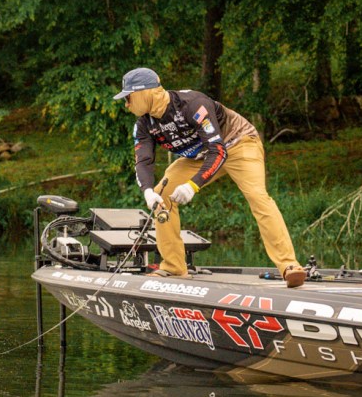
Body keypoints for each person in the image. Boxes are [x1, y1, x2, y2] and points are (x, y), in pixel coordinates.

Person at [113, 67, 306, 288]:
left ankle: (289, 265)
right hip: (201, 155)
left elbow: (218, 151)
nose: (126, 104)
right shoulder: (144, 125)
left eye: (128, 98)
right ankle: (174, 267)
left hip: (238, 143)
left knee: (258, 197)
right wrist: (147, 191)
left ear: (144, 93)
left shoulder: (193, 104)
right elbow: (143, 161)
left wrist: (192, 186)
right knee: (161, 193)